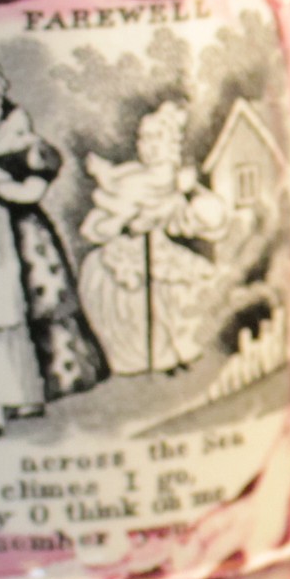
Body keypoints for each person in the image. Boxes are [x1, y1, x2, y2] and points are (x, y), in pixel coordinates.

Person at [0, 60, 109, 406]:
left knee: (38, 305)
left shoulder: (22, 142)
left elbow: (29, 193)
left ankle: (55, 380)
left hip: (24, 236)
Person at [76, 101, 231, 376]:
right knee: (121, 295)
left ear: (170, 143)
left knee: (173, 297)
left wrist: (191, 195)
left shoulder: (173, 180)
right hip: (128, 251)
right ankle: (134, 360)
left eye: (155, 139)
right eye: (143, 138)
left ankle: (171, 355)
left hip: (158, 249)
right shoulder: (133, 177)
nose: (146, 145)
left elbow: (186, 217)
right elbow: (112, 192)